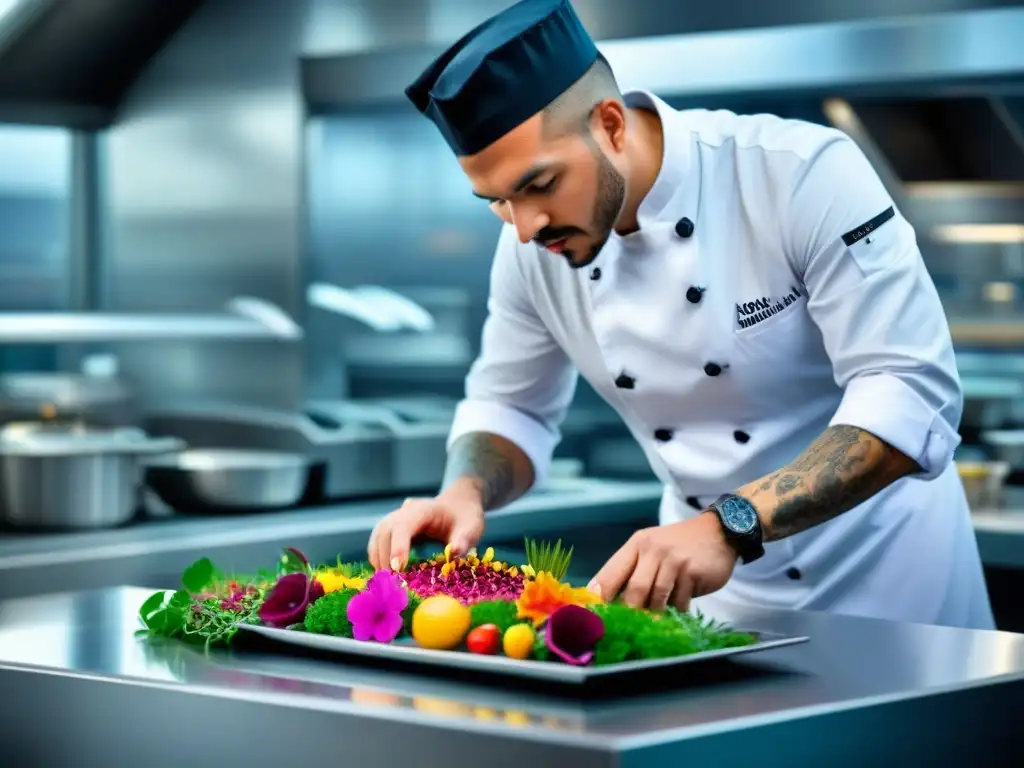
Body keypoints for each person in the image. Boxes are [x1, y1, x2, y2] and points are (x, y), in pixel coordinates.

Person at [367, 0, 995, 630]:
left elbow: (910, 391)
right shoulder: (532, 248)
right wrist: (464, 491)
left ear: (611, 124)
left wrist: (730, 524)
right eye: (497, 200)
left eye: (540, 185)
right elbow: (512, 406)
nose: (524, 227)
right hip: (710, 605)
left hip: (896, 593)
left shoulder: (798, 175)